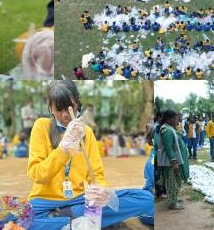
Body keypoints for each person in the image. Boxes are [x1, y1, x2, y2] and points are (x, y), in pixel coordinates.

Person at [27, 80, 152, 229]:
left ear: (77, 104)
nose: (65, 114)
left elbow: (97, 175)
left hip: (79, 199)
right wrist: (63, 148)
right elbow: (37, 174)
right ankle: (77, 221)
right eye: (59, 109)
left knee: (145, 198)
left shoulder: (86, 132)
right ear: (50, 109)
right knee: (21, 219)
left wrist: (102, 192)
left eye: (70, 107)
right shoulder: (41, 126)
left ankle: (64, 220)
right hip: (44, 201)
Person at [158, 109, 189, 210]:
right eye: (175, 118)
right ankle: (173, 203)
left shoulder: (169, 128)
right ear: (169, 118)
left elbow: (179, 135)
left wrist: (176, 127)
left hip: (173, 161)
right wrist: (174, 162)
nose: (177, 119)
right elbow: (168, 148)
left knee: (176, 180)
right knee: (172, 181)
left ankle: (174, 198)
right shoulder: (166, 130)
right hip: (169, 162)